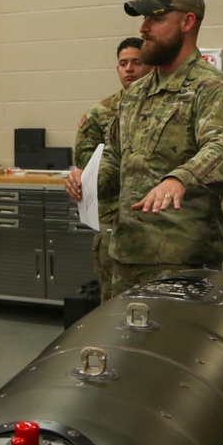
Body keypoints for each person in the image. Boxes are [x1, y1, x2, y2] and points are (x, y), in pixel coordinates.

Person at [96, 0, 223, 294]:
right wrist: (87, 181)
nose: (143, 27)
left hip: (181, 258)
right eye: (144, 19)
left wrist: (180, 179)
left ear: (187, 22)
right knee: (121, 342)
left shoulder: (212, 88)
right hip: (126, 252)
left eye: (156, 18)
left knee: (173, 343)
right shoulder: (136, 92)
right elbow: (114, 155)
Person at [64, 37, 152, 301]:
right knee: (113, 297)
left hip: (155, 222)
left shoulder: (163, 108)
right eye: (123, 63)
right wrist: (80, 177)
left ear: (149, 65)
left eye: (136, 62)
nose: (129, 69)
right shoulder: (101, 112)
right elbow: (86, 162)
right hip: (113, 218)